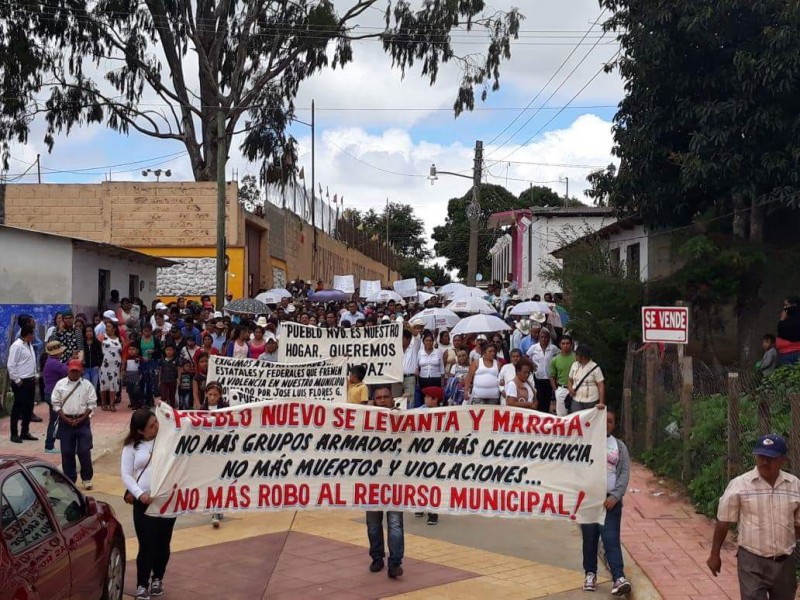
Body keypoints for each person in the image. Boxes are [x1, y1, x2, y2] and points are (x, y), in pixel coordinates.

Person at [707, 434, 800, 600]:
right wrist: (715, 554)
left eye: (771, 458)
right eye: (761, 456)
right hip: (752, 560)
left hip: (785, 562)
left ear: (782, 460)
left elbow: (798, 524)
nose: (765, 462)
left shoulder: (794, 485)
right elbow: (724, 521)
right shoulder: (740, 485)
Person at [122, 408, 177, 600]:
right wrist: (139, 494)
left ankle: (158, 578)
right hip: (144, 503)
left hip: (167, 501)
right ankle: (142, 584)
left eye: (156, 422)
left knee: (163, 542)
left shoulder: (168, 440)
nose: (156, 427)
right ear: (140, 431)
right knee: (147, 544)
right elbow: (127, 475)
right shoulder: (131, 448)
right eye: (151, 426)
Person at [581, 407, 632, 596]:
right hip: (590, 502)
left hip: (611, 502)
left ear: (614, 425)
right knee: (590, 539)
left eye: (610, 421)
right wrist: (597, 409)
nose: (607, 424)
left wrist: (615, 496)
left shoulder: (619, 447)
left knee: (611, 539)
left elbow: (624, 473)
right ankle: (590, 574)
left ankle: (618, 578)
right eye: (604, 420)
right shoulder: (587, 443)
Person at [366, 384, 405, 578]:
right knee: (373, 524)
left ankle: (395, 562)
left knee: (395, 523)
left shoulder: (405, 420)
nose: (382, 400)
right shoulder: (363, 421)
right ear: (373, 401)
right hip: (372, 480)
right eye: (378, 398)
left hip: (396, 481)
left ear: (393, 399)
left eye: (386, 397)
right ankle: (377, 558)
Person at [52, 359, 98, 489]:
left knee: (84, 450)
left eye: (77, 371)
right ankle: (70, 479)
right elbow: (56, 403)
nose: (74, 373)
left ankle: (87, 478)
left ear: (81, 371)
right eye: (72, 371)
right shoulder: (60, 384)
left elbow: (92, 403)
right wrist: (65, 418)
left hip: (82, 422)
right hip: (65, 422)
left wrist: (82, 418)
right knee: (67, 452)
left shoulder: (87, 385)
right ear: (68, 370)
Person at [414, 386, 445, 525]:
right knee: (420, 479)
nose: (425, 398)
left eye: (427, 397)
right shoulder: (420, 410)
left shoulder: (444, 413)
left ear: (435, 400)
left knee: (432, 482)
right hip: (421, 451)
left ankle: (433, 512)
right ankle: (421, 505)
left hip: (435, 453)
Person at [203, 381, 229, 527]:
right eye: (210, 394)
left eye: (215, 395)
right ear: (206, 394)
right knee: (211, 480)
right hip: (207, 450)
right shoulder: (200, 410)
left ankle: (217, 510)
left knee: (219, 480)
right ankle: (215, 508)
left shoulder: (226, 409)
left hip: (221, 449)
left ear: (220, 396)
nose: (212, 397)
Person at [7, 324, 39, 443]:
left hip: (30, 380)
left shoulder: (29, 345)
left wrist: (35, 374)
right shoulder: (16, 346)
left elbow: (31, 361)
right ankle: (14, 433)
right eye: (33, 334)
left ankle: (25, 431)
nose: (34, 337)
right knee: (18, 407)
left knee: (29, 408)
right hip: (21, 382)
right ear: (28, 335)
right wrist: (17, 380)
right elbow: (11, 364)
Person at [42, 341, 68, 453]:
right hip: (53, 395)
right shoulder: (54, 363)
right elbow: (66, 370)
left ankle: (57, 437)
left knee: (56, 419)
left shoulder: (51, 362)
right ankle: (49, 445)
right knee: (55, 421)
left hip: (50, 393)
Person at [527, 328, 558, 412]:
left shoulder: (553, 348)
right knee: (538, 398)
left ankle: (545, 415)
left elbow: (559, 356)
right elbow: (526, 357)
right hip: (538, 377)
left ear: (548, 338)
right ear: (539, 338)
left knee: (547, 399)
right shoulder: (534, 347)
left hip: (549, 378)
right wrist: (532, 364)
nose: (544, 339)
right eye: (542, 337)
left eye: (546, 337)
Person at [568, 345, 605, 412]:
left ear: (583, 356)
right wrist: (570, 389)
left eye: (577, 354)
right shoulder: (574, 365)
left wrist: (601, 402)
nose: (575, 356)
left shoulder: (595, 367)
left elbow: (600, 385)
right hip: (577, 398)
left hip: (591, 399)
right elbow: (570, 379)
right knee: (577, 418)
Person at [550, 334, 577, 416]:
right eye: (563, 343)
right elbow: (552, 376)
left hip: (576, 389)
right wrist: (555, 390)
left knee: (575, 415)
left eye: (568, 343)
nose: (565, 345)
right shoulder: (555, 359)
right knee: (561, 416)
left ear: (571, 345)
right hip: (561, 389)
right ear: (560, 345)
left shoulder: (576, 357)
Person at [99, 320, 123, 411]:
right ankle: (104, 403)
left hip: (115, 365)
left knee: (113, 384)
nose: (107, 328)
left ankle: (112, 404)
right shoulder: (102, 337)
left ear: (114, 328)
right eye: (106, 326)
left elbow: (122, 352)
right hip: (104, 364)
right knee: (104, 384)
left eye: (109, 326)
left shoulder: (119, 338)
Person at [83, 324, 104, 391]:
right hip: (85, 368)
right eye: (87, 331)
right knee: (86, 387)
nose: (88, 333)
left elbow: (101, 355)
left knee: (93, 387)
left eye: (90, 331)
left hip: (95, 368)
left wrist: (99, 365)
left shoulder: (97, 343)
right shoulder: (82, 343)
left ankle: (93, 401)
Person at [125, 345, 144, 410]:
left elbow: (142, 367)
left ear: (137, 351)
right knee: (130, 391)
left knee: (136, 391)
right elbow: (125, 367)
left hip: (136, 377)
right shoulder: (127, 358)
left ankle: (138, 403)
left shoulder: (139, 358)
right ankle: (133, 403)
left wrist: (141, 374)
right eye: (130, 349)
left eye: (133, 349)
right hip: (129, 377)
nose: (131, 351)